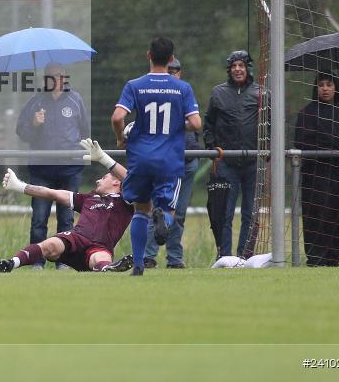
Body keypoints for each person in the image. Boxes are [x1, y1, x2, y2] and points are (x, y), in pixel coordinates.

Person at [111, 37, 202, 276]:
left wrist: (121, 139)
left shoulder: (135, 85)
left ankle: (139, 264)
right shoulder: (182, 88)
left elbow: (117, 117)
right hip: (169, 159)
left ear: (148, 55)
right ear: (171, 59)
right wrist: (176, 126)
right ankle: (164, 222)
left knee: (141, 210)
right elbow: (196, 122)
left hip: (140, 158)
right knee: (168, 208)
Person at [0, 138, 133, 272]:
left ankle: (107, 269)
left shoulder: (126, 200)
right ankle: (10, 264)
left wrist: (103, 158)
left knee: (100, 258)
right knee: (50, 245)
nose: (98, 180)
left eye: (104, 178)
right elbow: (52, 193)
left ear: (116, 183)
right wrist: (20, 186)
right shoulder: (89, 198)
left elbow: (132, 180)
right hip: (76, 239)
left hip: (100, 248)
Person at [15, 63, 89, 269]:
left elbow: (84, 132)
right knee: (39, 218)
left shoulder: (76, 100)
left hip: (69, 169)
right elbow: (22, 133)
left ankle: (64, 261)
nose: (56, 80)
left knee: (66, 219)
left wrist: (79, 158)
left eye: (59, 76)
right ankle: (36, 261)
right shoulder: (35, 102)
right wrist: (34, 124)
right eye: (51, 77)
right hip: (42, 169)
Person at [203, 50, 260, 257]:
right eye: (234, 66)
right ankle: (225, 256)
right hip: (226, 162)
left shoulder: (260, 93)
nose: (238, 69)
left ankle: (245, 256)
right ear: (229, 69)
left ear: (247, 68)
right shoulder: (218, 93)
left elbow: (270, 124)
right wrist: (212, 150)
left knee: (250, 214)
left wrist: (268, 151)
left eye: (241, 66)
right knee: (224, 213)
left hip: (253, 163)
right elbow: (208, 123)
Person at [144, 57, 199, 269]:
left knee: (179, 213)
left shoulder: (185, 92)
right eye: (170, 70)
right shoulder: (155, 95)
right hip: (165, 160)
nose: (174, 73)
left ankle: (174, 258)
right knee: (158, 209)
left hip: (187, 160)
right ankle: (149, 255)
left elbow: (196, 124)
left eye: (177, 70)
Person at [294, 71, 339, 266]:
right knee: (316, 215)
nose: (325, 88)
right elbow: (301, 141)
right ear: (315, 88)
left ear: (336, 87)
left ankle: (334, 258)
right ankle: (315, 258)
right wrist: (329, 146)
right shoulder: (306, 113)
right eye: (321, 84)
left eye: (329, 84)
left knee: (336, 214)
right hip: (315, 175)